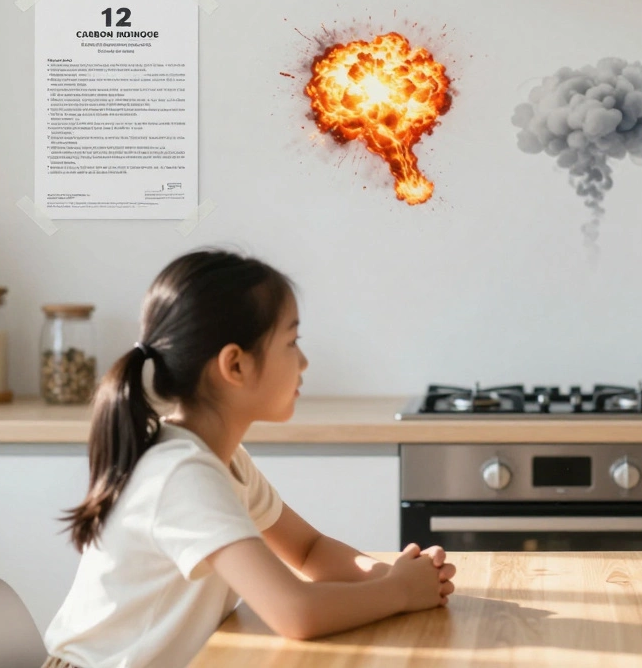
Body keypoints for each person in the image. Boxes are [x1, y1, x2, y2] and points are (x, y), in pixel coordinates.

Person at [43, 250, 455, 668]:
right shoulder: (180, 474)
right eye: (292, 342)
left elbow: (309, 550)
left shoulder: (223, 459)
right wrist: (400, 592)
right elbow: (294, 612)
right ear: (235, 365)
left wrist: (392, 575)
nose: (305, 361)